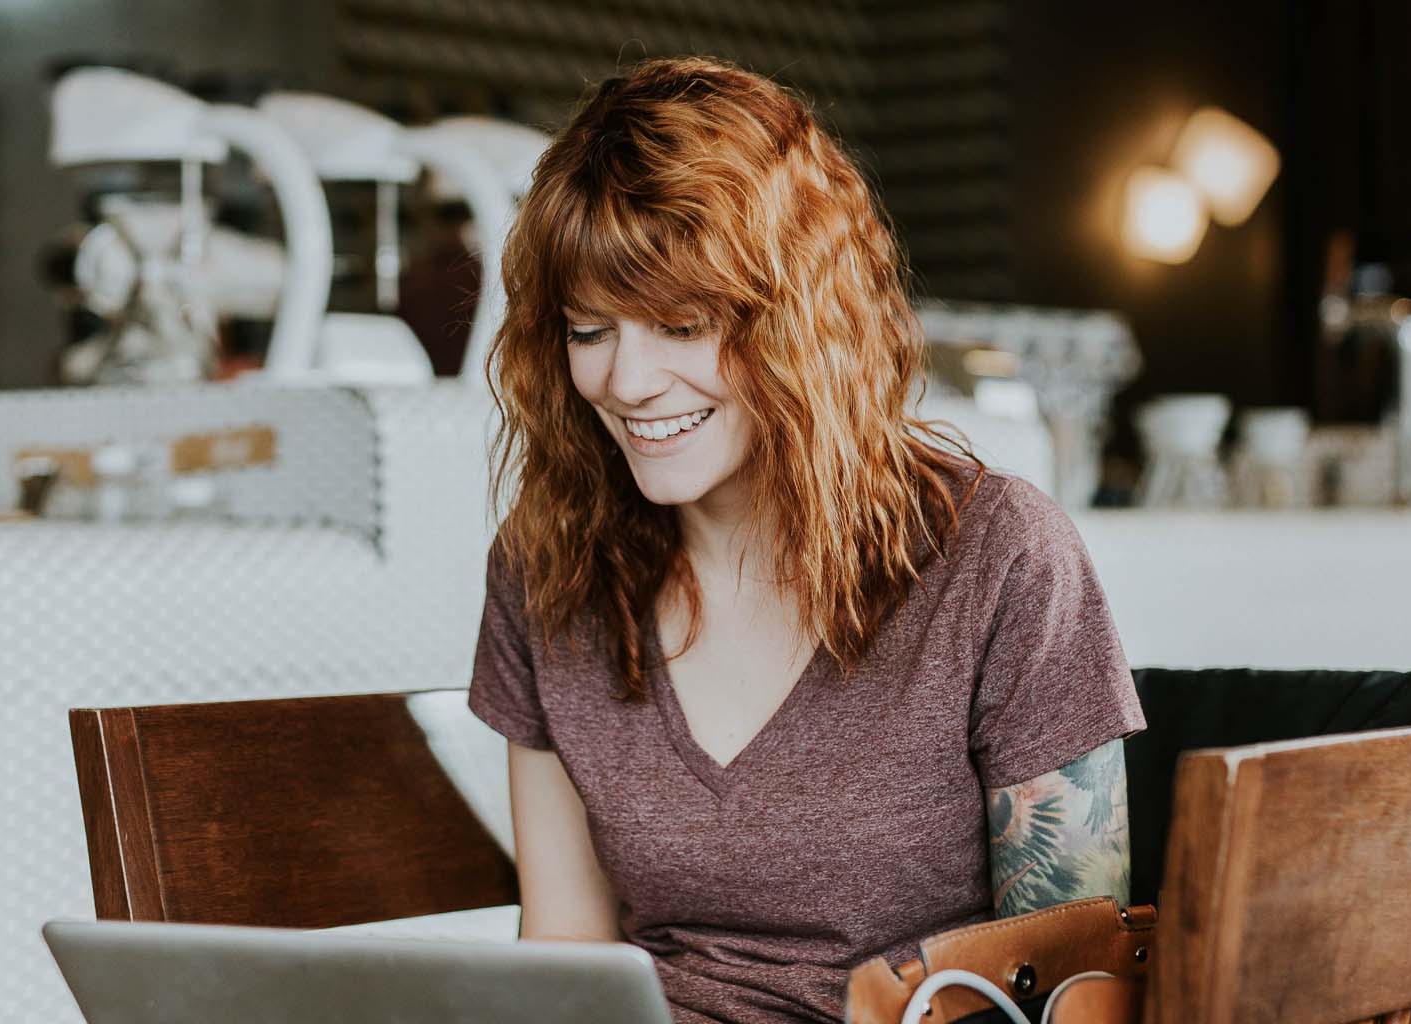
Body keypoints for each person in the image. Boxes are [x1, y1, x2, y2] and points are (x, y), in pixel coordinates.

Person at [469, 56, 1144, 1024]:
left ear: (800, 320)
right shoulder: (546, 567)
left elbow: (1078, 987)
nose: (627, 382)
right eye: (588, 331)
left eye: (682, 325)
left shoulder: (999, 556)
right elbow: (564, 952)